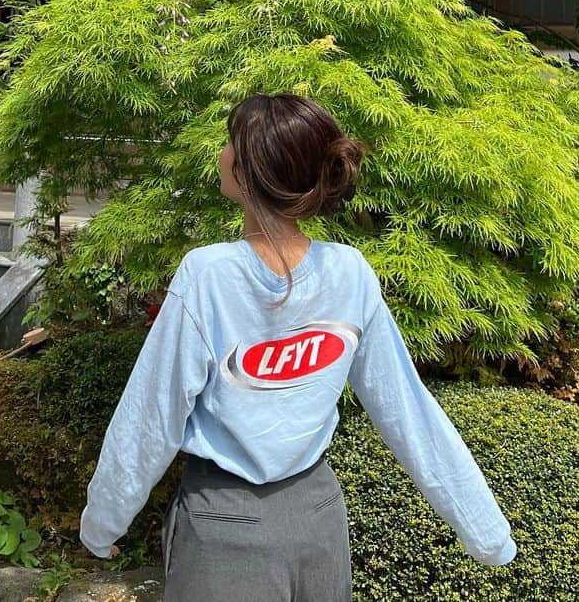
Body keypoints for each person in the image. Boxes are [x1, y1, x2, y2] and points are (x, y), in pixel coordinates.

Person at [79, 92, 518, 599]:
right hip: (318, 521)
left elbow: (151, 417)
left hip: (223, 526)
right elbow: (408, 411)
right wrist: (486, 533)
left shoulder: (208, 275)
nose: (221, 153)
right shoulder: (349, 272)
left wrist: (103, 524)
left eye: (229, 143)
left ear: (248, 172)